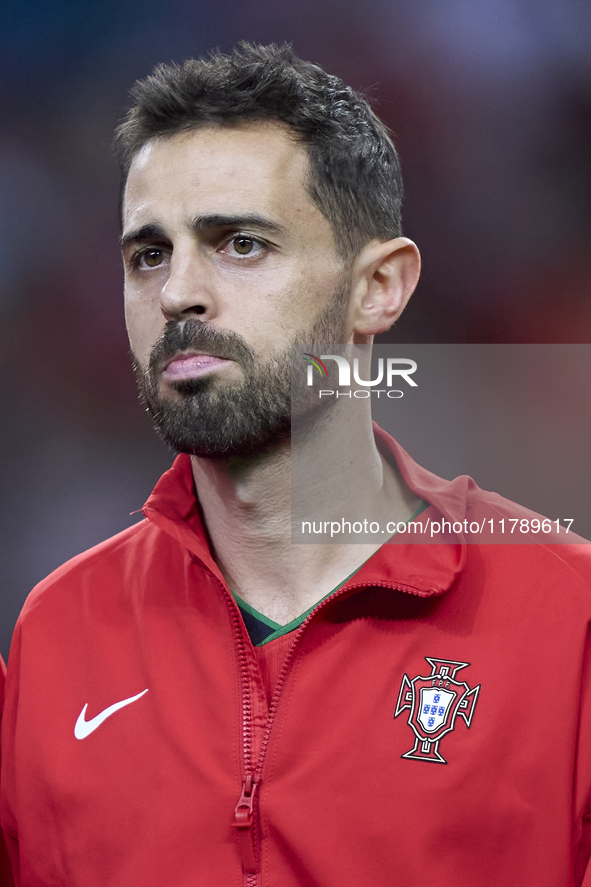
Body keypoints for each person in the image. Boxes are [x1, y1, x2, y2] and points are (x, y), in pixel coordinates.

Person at [1, 42, 591, 886]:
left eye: (239, 243)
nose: (177, 293)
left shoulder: (568, 624)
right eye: (148, 254)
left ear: (377, 287)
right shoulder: (56, 633)